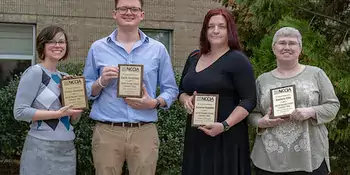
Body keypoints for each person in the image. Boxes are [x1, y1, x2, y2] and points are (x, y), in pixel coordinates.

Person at [82, 0, 178, 174]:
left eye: (134, 9)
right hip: (107, 131)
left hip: (144, 131)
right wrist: (101, 82)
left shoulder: (158, 49)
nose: (128, 12)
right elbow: (86, 90)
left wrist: (154, 103)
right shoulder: (97, 48)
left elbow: (171, 90)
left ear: (142, 14)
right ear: (114, 13)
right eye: (123, 8)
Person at [248, 27, 340, 175]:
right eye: (282, 43)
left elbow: (333, 106)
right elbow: (253, 112)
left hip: (310, 158)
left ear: (300, 48)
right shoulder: (262, 80)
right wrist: (261, 122)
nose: (287, 47)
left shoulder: (316, 74)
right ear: (273, 48)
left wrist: (311, 111)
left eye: (292, 43)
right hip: (269, 159)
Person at [178, 8, 257, 175]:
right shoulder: (194, 57)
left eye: (221, 26)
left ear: (230, 30)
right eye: (210, 26)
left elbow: (249, 99)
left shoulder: (238, 60)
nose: (215, 30)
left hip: (226, 136)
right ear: (204, 30)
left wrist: (225, 125)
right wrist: (185, 100)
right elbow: (182, 91)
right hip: (197, 135)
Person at [13, 25, 83, 175]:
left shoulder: (66, 77)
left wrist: (76, 109)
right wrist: (56, 114)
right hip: (41, 147)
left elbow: (73, 120)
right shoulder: (35, 72)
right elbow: (20, 112)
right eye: (52, 41)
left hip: (67, 147)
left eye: (62, 42)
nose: (58, 45)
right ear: (42, 45)